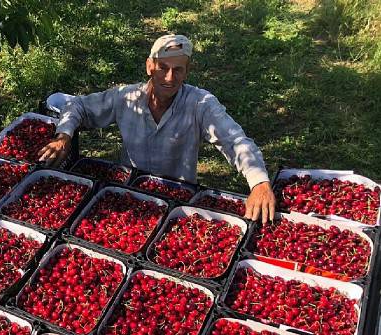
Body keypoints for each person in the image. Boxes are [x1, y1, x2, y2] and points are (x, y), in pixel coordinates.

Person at [38, 34, 276, 224]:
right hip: (127, 194)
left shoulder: (200, 105)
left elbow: (235, 141)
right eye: (163, 67)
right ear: (149, 66)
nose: (170, 78)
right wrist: (64, 136)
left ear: (187, 71)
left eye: (178, 69)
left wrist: (259, 182)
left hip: (177, 201)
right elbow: (78, 106)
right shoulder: (126, 98)